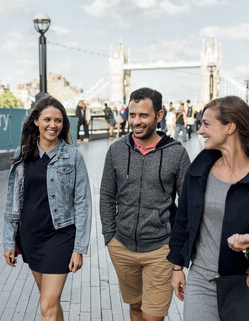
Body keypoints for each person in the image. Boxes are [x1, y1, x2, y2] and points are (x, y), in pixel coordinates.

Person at [167, 96, 249, 321]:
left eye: (206, 124)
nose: (200, 130)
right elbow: (182, 222)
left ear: (230, 127)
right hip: (200, 282)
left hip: (246, 285)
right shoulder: (198, 171)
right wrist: (176, 268)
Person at [100, 87, 190, 321]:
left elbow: (188, 205)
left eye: (143, 115)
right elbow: (107, 195)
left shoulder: (177, 154)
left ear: (159, 116)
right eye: (132, 115)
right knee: (136, 308)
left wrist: (177, 256)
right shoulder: (116, 150)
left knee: (152, 316)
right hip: (122, 245)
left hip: (161, 249)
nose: (136, 121)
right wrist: (110, 237)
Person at [3, 96, 92, 320]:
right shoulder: (21, 154)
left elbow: (83, 203)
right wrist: (8, 241)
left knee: (46, 307)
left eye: (58, 120)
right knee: (49, 303)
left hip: (60, 237)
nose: (53, 125)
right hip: (31, 237)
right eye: (47, 119)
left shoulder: (73, 157)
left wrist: (79, 248)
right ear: (36, 121)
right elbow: (13, 200)